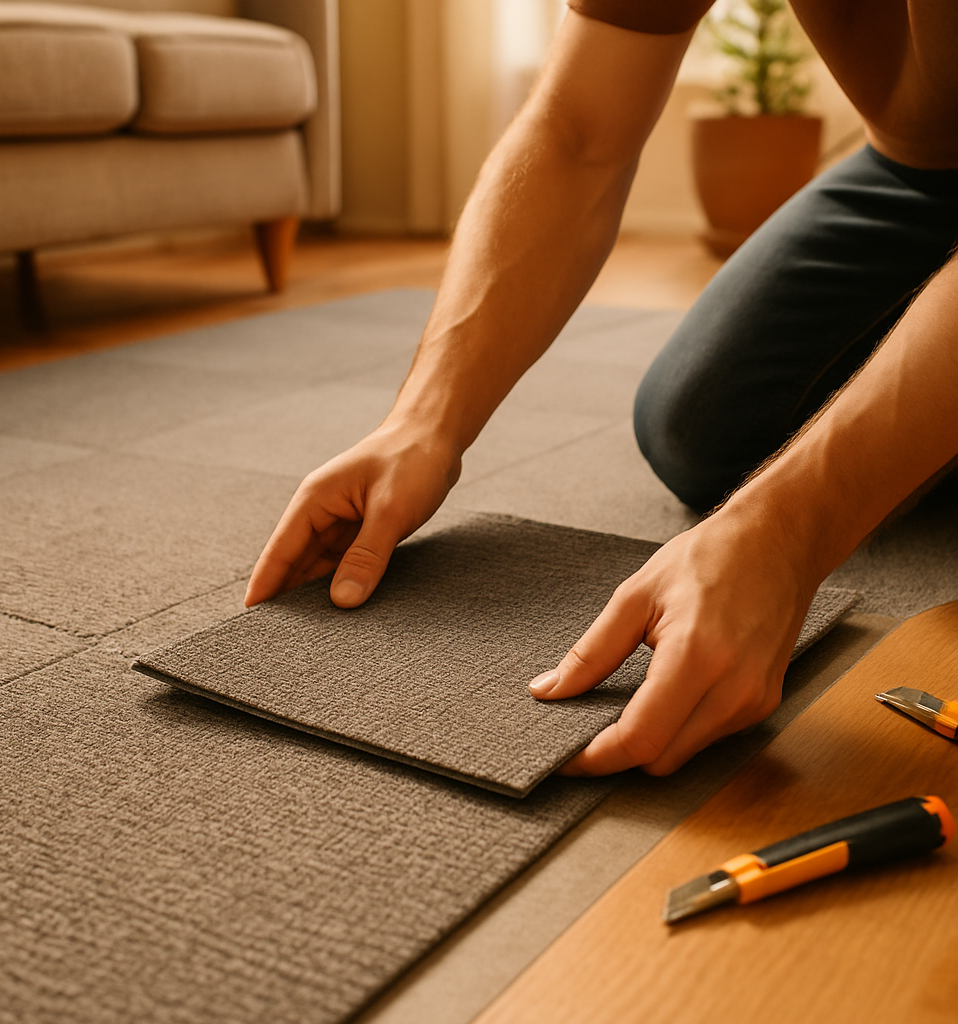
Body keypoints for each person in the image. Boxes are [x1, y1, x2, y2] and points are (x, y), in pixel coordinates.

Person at [245, 1, 958, 778]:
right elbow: (578, 132)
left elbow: (791, 521)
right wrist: (425, 420)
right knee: (702, 426)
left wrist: (788, 531)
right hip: (920, 172)